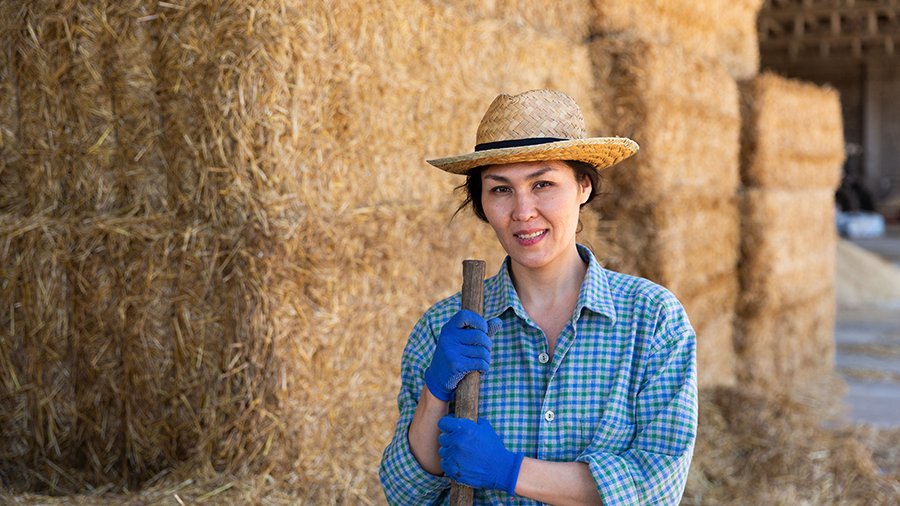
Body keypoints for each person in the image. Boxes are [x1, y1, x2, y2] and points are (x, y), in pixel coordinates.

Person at [379, 89, 698, 505]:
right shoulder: (443, 327)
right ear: (482, 203)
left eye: (543, 184)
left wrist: (508, 470)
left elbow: (657, 488)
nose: (523, 211)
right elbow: (405, 494)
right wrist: (436, 393)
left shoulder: (653, 319)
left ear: (583, 186)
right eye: (500, 190)